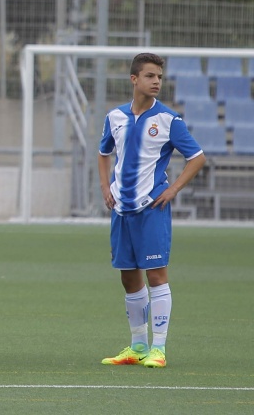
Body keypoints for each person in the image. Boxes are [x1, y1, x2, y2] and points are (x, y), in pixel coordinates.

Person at [99, 53, 206, 369]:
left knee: (157, 275)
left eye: (159, 76)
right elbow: (104, 152)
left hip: (151, 209)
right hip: (121, 210)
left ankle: (158, 349)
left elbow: (197, 157)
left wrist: (173, 190)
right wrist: (105, 187)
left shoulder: (169, 120)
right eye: (150, 75)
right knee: (128, 277)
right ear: (134, 79)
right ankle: (138, 346)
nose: (156, 81)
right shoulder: (115, 117)